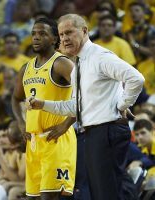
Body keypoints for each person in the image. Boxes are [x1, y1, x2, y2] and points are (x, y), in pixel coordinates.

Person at [27, 14, 145, 200]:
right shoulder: (80, 64)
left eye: (69, 33)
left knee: (109, 191)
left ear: (84, 31)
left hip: (107, 129)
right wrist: (42, 105)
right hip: (93, 132)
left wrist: (122, 104)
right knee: (100, 192)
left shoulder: (100, 56)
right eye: (61, 34)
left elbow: (136, 78)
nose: (64, 38)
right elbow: (75, 107)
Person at [12, 17, 77, 200]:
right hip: (33, 142)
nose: (36, 38)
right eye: (33, 34)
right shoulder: (26, 68)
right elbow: (16, 98)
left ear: (55, 39)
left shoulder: (62, 63)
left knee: (50, 197)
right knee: (33, 197)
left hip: (56, 139)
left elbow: (85, 94)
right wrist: (21, 122)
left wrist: (66, 124)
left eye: (42, 34)